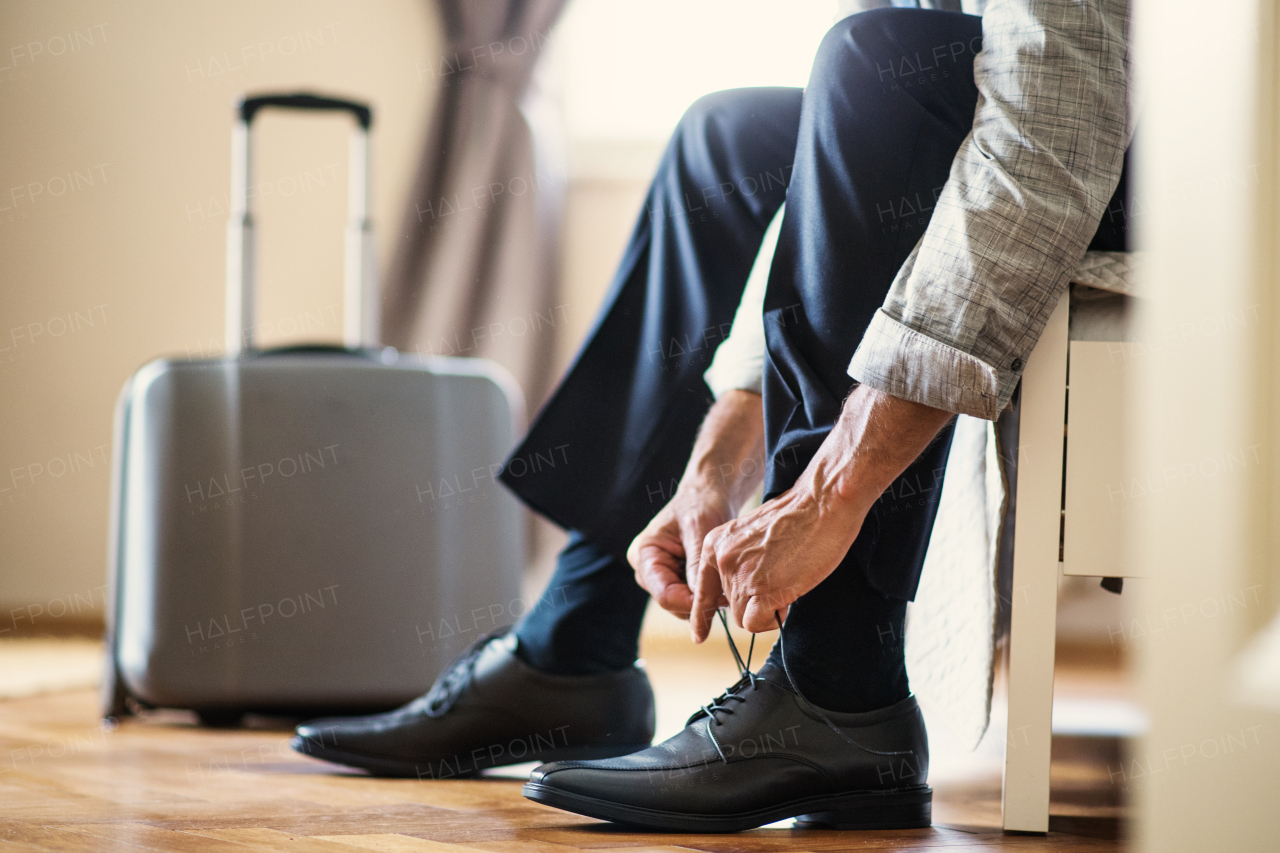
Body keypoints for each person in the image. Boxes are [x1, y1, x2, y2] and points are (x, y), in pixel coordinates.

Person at [292, 0, 1131, 832]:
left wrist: (826, 495)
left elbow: (1049, 139)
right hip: (1043, 115)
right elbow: (829, 181)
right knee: (728, 136)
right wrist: (718, 460)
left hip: (1179, 158)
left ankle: (841, 688)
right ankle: (575, 642)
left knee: (882, 60)